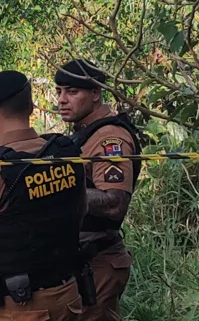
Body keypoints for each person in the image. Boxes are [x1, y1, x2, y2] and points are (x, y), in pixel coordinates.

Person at [0, 70, 87, 321]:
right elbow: (79, 213)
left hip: (18, 309)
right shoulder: (67, 153)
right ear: (31, 108)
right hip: (69, 298)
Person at [54, 59, 142, 321]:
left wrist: (53, 191)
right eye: (59, 91)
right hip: (81, 259)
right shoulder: (84, 133)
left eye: (72, 91)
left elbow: (115, 203)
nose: (61, 100)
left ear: (95, 93)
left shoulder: (109, 137)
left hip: (99, 261)